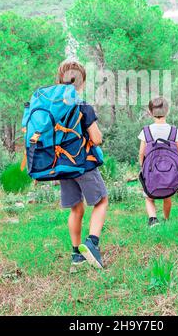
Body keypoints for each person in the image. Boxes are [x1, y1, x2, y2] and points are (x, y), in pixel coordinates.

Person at [57, 60, 108, 269]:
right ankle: (92, 243)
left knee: (76, 208)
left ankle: (76, 254)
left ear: (60, 80)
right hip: (83, 163)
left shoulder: (55, 106)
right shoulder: (82, 105)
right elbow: (95, 139)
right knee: (101, 201)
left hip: (61, 166)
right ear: (82, 82)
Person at [138, 97, 178, 227]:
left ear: (150, 112)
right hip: (170, 172)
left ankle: (153, 219)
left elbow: (141, 152)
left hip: (151, 170)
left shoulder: (146, 131)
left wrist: (143, 167)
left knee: (149, 197)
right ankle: (166, 218)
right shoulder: (174, 131)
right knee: (167, 196)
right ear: (167, 111)